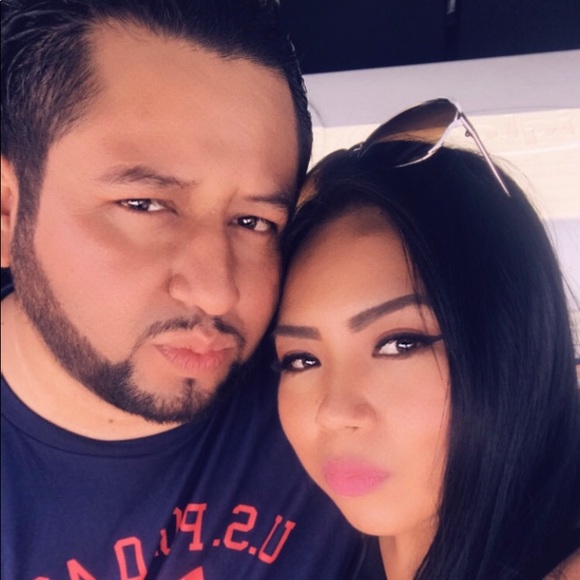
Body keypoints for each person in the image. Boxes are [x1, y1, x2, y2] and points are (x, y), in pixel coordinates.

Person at [0, 0, 361, 577]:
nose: (217, 293)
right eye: (145, 205)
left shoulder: (337, 414)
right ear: (8, 211)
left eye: (253, 222)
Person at [274, 99, 580, 579]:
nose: (333, 412)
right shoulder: (304, 545)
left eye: (400, 343)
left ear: (510, 344)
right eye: (301, 359)